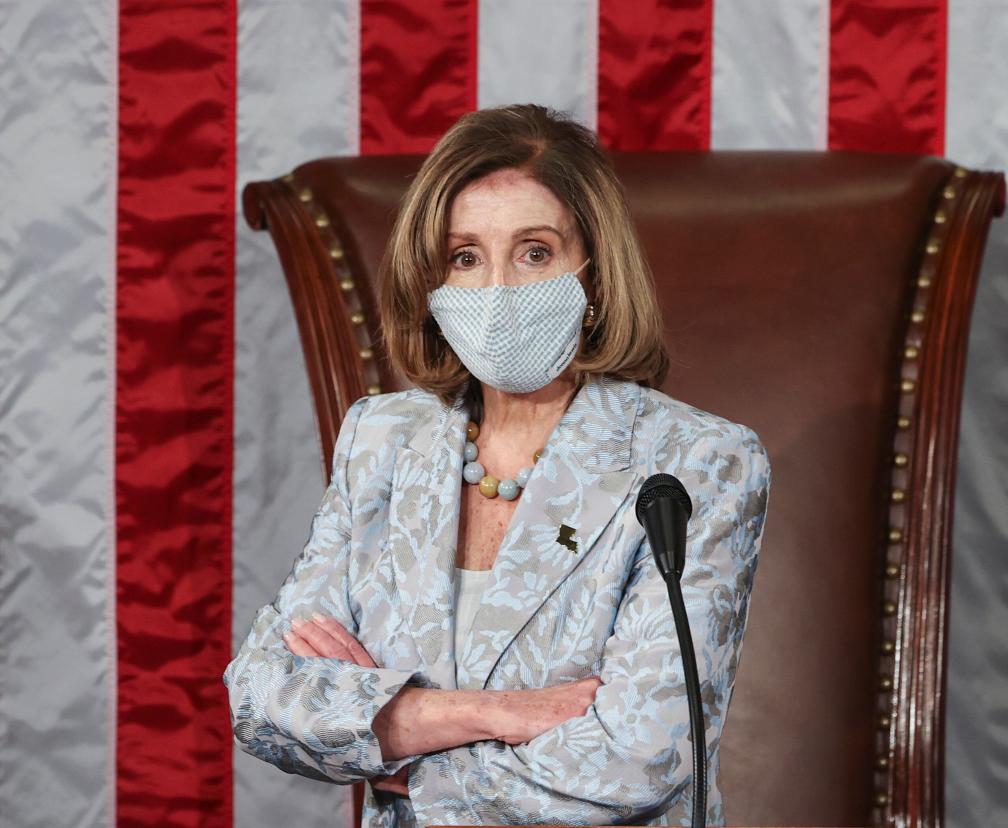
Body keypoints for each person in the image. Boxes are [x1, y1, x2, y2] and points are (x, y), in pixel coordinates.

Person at [223, 103, 772, 827]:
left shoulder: (700, 464)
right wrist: (492, 713)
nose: (500, 290)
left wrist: (399, 748)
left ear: (596, 272)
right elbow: (263, 694)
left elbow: (639, 758)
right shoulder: (382, 439)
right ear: (433, 282)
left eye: (535, 251)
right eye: (465, 257)